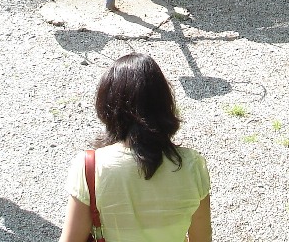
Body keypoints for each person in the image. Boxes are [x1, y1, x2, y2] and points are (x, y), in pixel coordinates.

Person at [58, 53, 212, 242]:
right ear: (164, 104)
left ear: (108, 105)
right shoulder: (193, 165)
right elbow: (201, 238)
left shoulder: (90, 167)